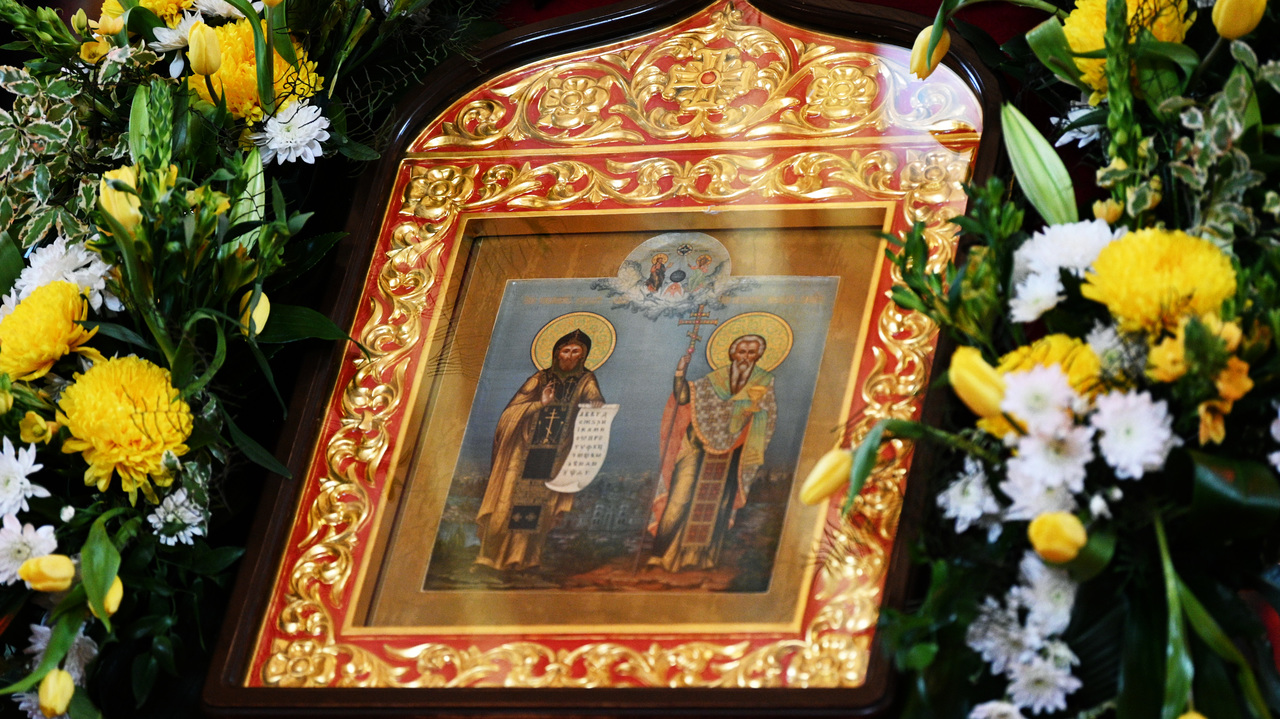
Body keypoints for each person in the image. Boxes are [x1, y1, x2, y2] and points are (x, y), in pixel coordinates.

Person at [474, 329, 605, 571]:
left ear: (583, 356)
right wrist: (539, 404)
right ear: (556, 353)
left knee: (536, 509)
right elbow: (510, 414)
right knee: (506, 504)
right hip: (523, 451)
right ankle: (489, 557)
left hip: (554, 454)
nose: (569, 356)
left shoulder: (586, 379)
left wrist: (596, 403)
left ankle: (523, 559)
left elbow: (594, 397)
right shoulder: (539, 378)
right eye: (565, 350)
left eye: (575, 351)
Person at [648, 334, 777, 572]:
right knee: (680, 498)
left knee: (716, 504)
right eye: (741, 352)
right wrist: (680, 373)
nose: (745, 357)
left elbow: (768, 418)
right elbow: (684, 397)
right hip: (696, 444)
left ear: (758, 356)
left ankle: (698, 558)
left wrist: (755, 414)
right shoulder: (714, 380)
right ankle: (660, 554)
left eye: (751, 353)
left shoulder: (764, 382)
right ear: (732, 354)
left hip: (732, 452)